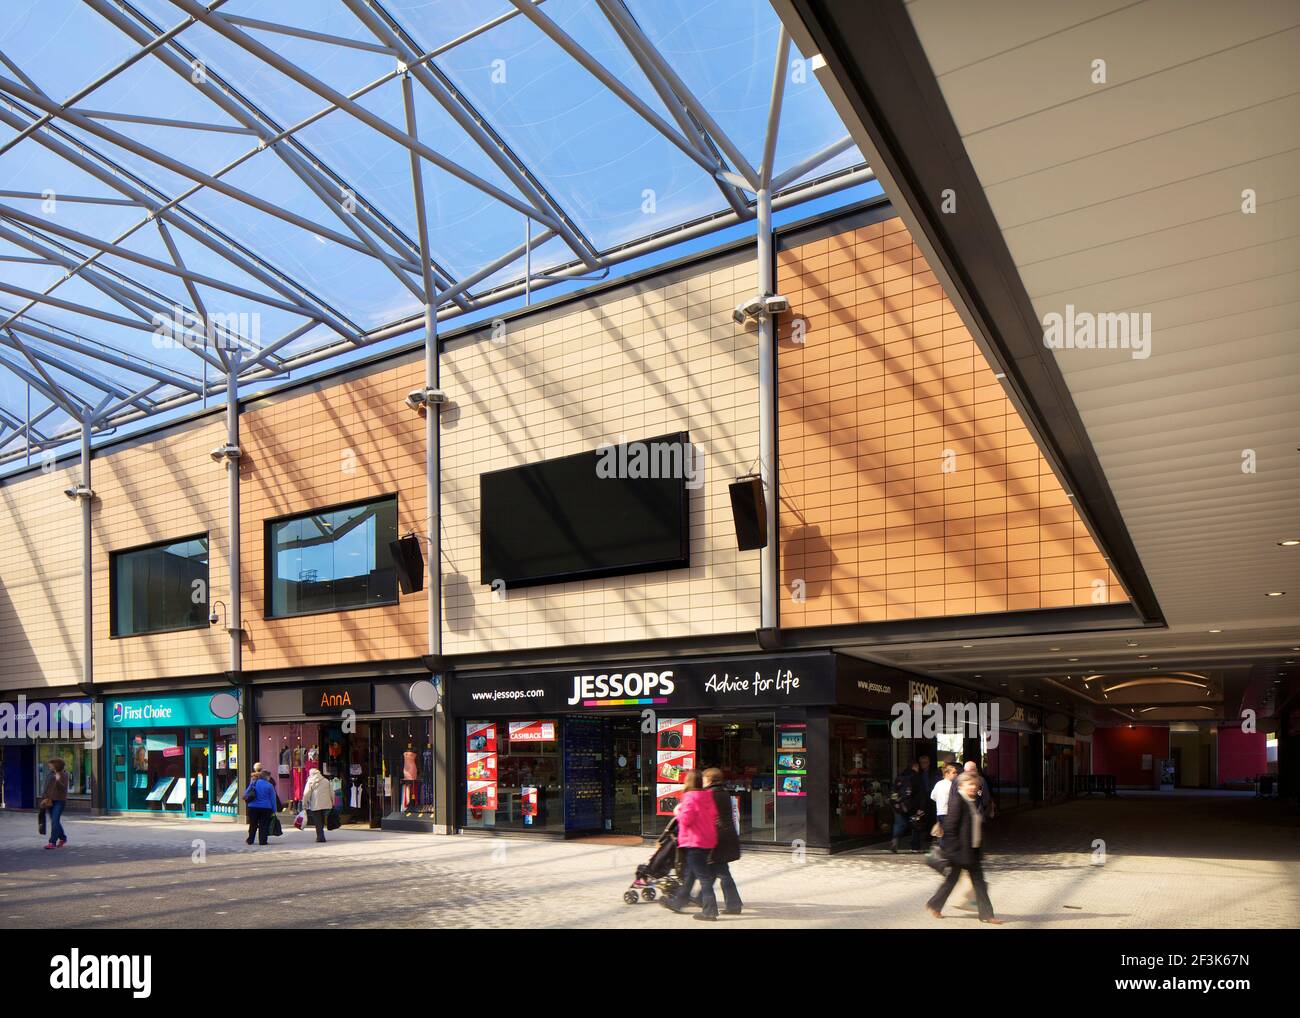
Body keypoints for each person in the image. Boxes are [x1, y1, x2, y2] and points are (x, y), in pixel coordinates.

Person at [926, 772, 1003, 924]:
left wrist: (980, 849)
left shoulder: (971, 801)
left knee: (974, 883)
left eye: (975, 784)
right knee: (957, 881)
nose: (974, 787)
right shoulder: (958, 801)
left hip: (971, 850)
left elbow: (975, 827)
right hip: (960, 852)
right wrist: (954, 850)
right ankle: (935, 905)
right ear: (961, 785)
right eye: (970, 784)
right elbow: (950, 827)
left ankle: (935, 905)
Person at [660, 770, 720, 921]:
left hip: (694, 841)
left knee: (703, 877)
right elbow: (713, 816)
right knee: (690, 875)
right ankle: (679, 902)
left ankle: (710, 911)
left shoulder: (689, 797)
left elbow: (686, 820)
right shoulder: (708, 796)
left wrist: (677, 811)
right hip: (707, 841)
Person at [703, 767, 742, 915]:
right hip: (726, 835)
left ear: (710, 780)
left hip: (717, 837)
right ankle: (702, 898)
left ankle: (732, 905)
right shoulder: (724, 792)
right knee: (716, 870)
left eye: (704, 778)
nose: (703, 781)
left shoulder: (709, 794)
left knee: (721, 871)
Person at [890, 761, 920, 853]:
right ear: (915, 767)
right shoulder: (916, 777)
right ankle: (915, 847)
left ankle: (895, 839)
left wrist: (895, 803)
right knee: (915, 825)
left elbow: (894, 791)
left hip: (899, 805)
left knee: (899, 824)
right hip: (912, 806)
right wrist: (921, 807)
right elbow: (920, 793)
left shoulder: (900, 777)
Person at [40, 758, 69, 850]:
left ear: (56, 765)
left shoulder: (64, 775)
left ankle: (52, 842)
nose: (49, 766)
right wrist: (43, 798)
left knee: (55, 821)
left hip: (59, 801)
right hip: (49, 801)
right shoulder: (49, 774)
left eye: (51, 764)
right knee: (54, 821)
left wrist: (57, 780)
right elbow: (45, 787)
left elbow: (64, 788)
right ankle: (63, 838)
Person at [243, 767, 277, 846]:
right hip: (266, 808)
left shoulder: (254, 783)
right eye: (269, 776)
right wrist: (274, 810)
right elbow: (273, 799)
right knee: (263, 825)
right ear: (266, 777)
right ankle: (262, 841)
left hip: (253, 807)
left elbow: (246, 793)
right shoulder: (269, 786)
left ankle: (250, 840)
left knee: (253, 824)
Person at [301, 762, 333, 843]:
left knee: (317, 820)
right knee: (321, 819)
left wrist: (304, 804)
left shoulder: (310, 781)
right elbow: (332, 792)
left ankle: (320, 837)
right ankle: (321, 835)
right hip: (326, 804)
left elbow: (306, 794)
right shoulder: (326, 781)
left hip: (315, 804)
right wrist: (332, 802)